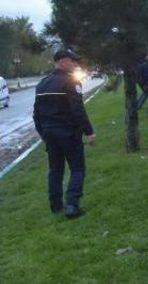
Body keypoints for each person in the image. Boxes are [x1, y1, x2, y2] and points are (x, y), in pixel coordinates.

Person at [33, 49, 95, 219]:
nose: (75, 64)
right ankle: (72, 206)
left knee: (55, 170)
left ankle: (56, 205)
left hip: (50, 134)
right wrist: (89, 131)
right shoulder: (70, 82)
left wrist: (44, 134)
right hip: (68, 133)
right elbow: (77, 109)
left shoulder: (42, 84)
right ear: (61, 61)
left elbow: (36, 114)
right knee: (77, 168)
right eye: (72, 61)